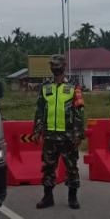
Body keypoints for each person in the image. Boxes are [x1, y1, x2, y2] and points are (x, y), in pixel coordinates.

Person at [33, 54, 85, 210]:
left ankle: (72, 197)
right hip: (50, 135)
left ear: (63, 66)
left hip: (68, 135)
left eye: (57, 65)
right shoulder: (45, 87)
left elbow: (79, 111)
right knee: (48, 167)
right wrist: (37, 130)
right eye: (52, 65)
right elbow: (40, 110)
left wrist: (78, 133)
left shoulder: (73, 86)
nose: (54, 68)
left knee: (71, 167)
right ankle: (47, 197)